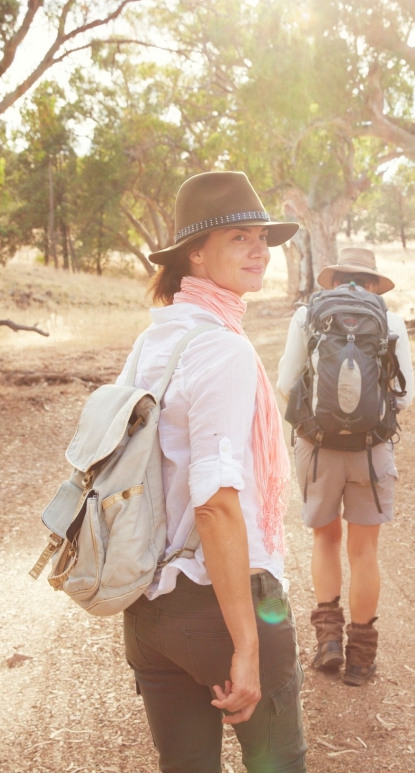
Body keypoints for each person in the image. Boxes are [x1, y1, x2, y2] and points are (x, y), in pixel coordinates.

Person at [117, 171, 307, 773]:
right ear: (194, 254)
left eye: (262, 237)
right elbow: (217, 504)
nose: (259, 250)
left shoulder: (155, 342)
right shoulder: (222, 349)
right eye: (238, 238)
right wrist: (247, 644)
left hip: (152, 611)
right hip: (224, 603)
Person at [276, 246, 415, 687]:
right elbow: (405, 396)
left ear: (334, 278)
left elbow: (284, 383)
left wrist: (317, 422)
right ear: (374, 282)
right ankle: (360, 659)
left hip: (317, 447)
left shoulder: (307, 315)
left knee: (325, 538)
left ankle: (328, 643)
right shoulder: (390, 320)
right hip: (370, 451)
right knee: (364, 550)